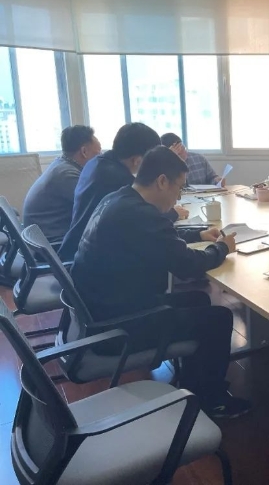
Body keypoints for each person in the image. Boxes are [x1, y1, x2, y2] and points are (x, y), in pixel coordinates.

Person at [70, 146, 249, 418]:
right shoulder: (140, 215)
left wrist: (198, 234)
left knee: (199, 299)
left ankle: (194, 383)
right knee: (220, 318)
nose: (178, 196)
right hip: (119, 328)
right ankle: (212, 401)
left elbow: (156, 240)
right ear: (162, 181)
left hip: (102, 311)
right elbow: (187, 266)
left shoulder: (120, 199)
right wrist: (222, 248)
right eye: (179, 188)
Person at [58, 122, 161, 260]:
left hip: (78, 248)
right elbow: (148, 217)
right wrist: (173, 213)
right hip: (87, 258)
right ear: (137, 160)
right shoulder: (118, 178)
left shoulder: (97, 163)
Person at [22, 125, 102, 243]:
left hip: (44, 237)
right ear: (84, 151)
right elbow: (98, 207)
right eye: (98, 154)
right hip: (54, 243)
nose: (100, 159)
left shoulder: (61, 165)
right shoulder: (67, 175)